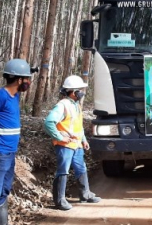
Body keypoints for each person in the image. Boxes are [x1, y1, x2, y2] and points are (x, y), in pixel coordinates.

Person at [0, 59, 33, 225]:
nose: (29, 82)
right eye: (27, 79)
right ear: (19, 80)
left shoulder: (15, 96)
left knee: (4, 192)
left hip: (10, 153)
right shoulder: (0, 96)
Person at [44, 75, 100, 211]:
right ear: (73, 92)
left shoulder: (76, 105)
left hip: (76, 145)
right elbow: (48, 123)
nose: (82, 92)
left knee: (81, 168)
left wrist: (84, 140)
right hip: (65, 146)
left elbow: (78, 125)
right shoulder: (62, 105)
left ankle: (85, 194)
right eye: (80, 90)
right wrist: (60, 137)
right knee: (63, 170)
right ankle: (59, 200)